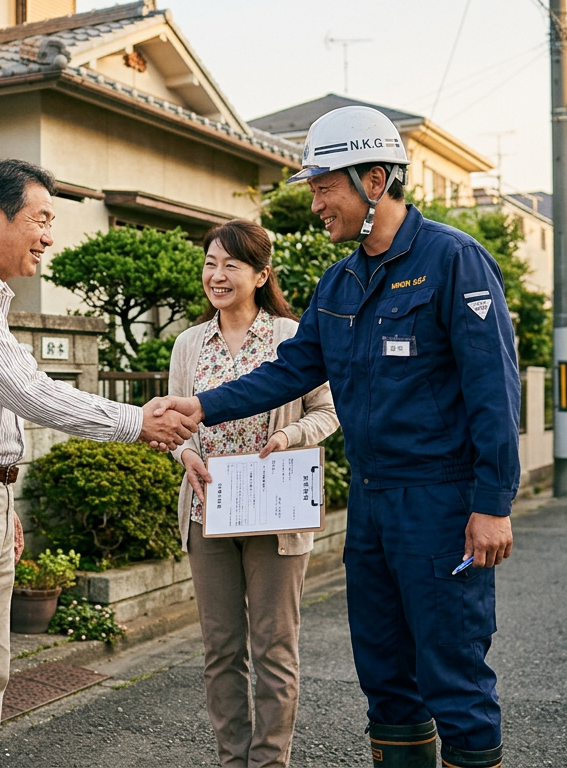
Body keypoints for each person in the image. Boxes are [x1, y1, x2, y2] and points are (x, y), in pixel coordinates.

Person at [156, 106, 520, 768]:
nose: (316, 202)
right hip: (374, 506)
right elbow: (287, 373)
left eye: (325, 186)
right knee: (385, 677)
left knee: (453, 674)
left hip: (440, 501)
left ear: (374, 179)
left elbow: (494, 388)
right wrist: (198, 405)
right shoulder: (340, 282)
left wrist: (493, 503)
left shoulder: (453, 260)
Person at [0, 158, 198, 768]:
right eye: (42, 219)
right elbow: (29, 391)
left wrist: (2, 504)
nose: (50, 236)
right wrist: (137, 422)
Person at [169, 219, 339, 768]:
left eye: (231, 265)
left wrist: (290, 436)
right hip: (208, 509)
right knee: (221, 650)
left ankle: (270, 762)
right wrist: (185, 451)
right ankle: (231, 761)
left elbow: (328, 412)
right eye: (210, 263)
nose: (217, 275)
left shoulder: (290, 338)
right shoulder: (189, 344)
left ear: (261, 274)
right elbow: (175, 424)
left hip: (277, 507)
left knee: (273, 649)